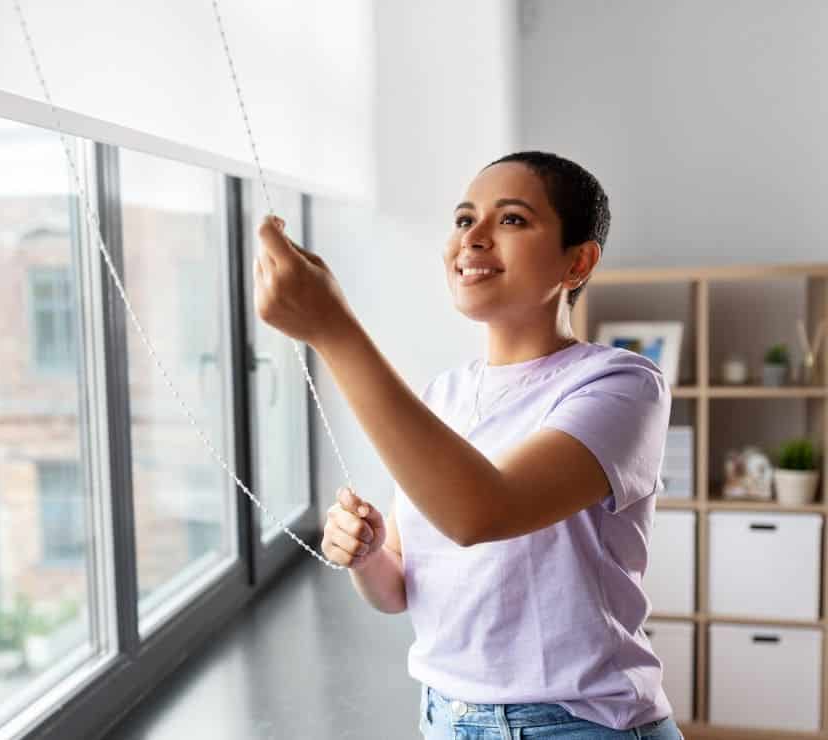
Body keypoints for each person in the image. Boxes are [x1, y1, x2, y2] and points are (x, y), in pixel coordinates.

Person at [253, 151, 682, 739]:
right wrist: (366, 554)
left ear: (578, 261)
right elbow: (399, 588)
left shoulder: (622, 386)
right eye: (462, 220)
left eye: (510, 220)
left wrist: (332, 329)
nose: (473, 238)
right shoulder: (441, 396)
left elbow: (482, 511)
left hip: (579, 726)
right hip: (446, 719)